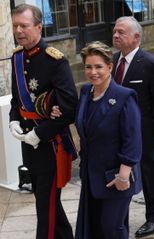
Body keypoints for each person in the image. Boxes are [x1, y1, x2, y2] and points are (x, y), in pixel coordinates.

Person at [52, 41, 142, 239]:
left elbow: (133, 140)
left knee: (112, 228)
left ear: (109, 67)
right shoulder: (85, 92)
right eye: (88, 67)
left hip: (116, 178)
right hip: (91, 175)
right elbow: (82, 119)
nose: (93, 72)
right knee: (93, 227)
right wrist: (58, 111)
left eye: (99, 66)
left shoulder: (124, 97)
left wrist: (123, 176)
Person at [9, 4, 78, 239]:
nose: (19, 30)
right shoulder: (17, 57)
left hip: (50, 145)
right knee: (44, 199)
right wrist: (13, 121)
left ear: (39, 27)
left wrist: (40, 133)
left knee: (44, 208)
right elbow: (16, 101)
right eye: (15, 25)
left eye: (24, 26)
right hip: (28, 145)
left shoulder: (55, 61)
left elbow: (69, 108)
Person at [112, 16, 154, 237]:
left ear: (136, 38)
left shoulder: (151, 64)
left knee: (149, 173)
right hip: (116, 130)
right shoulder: (112, 60)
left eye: (121, 32)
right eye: (115, 32)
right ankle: (118, 212)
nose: (116, 36)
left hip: (143, 131)